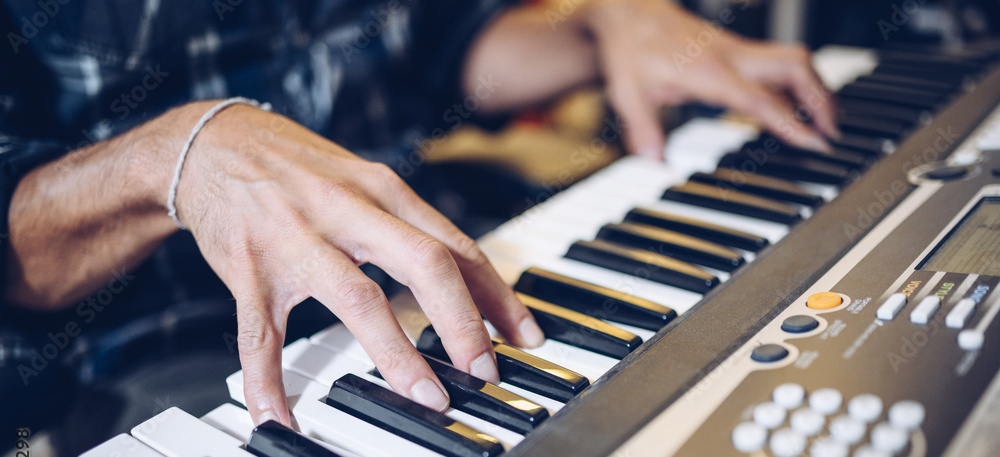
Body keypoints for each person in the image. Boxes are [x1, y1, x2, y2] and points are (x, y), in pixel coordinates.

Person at [0, 0, 836, 433]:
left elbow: (441, 46)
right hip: (171, 336)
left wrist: (601, 26)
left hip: (427, 230)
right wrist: (175, 158)